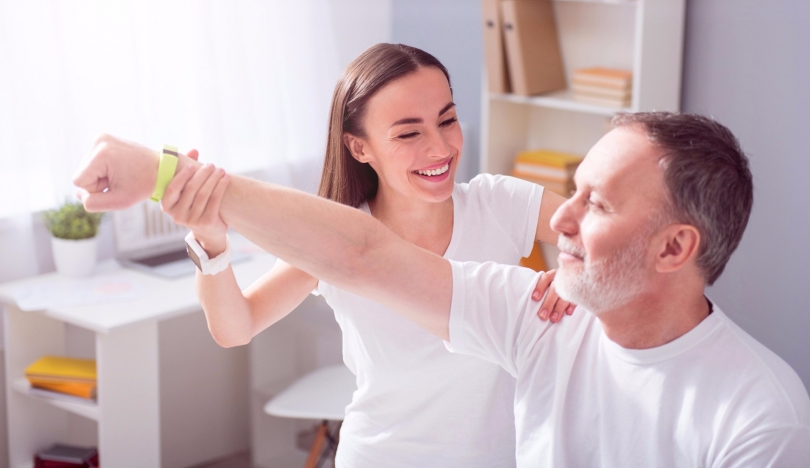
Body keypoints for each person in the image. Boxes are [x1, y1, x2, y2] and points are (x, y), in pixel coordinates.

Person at [75, 111, 810, 466]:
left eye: (599, 204)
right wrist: (164, 174)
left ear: (675, 247)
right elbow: (361, 254)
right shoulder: (539, 318)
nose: (560, 215)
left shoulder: (757, 417)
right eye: (574, 191)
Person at [76, 44, 575, 467]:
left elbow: (598, 236)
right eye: (408, 133)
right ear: (359, 148)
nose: (440, 147)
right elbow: (235, 327)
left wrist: (574, 276)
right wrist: (211, 241)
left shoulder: (501, 204)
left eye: (447, 119)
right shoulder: (334, 243)